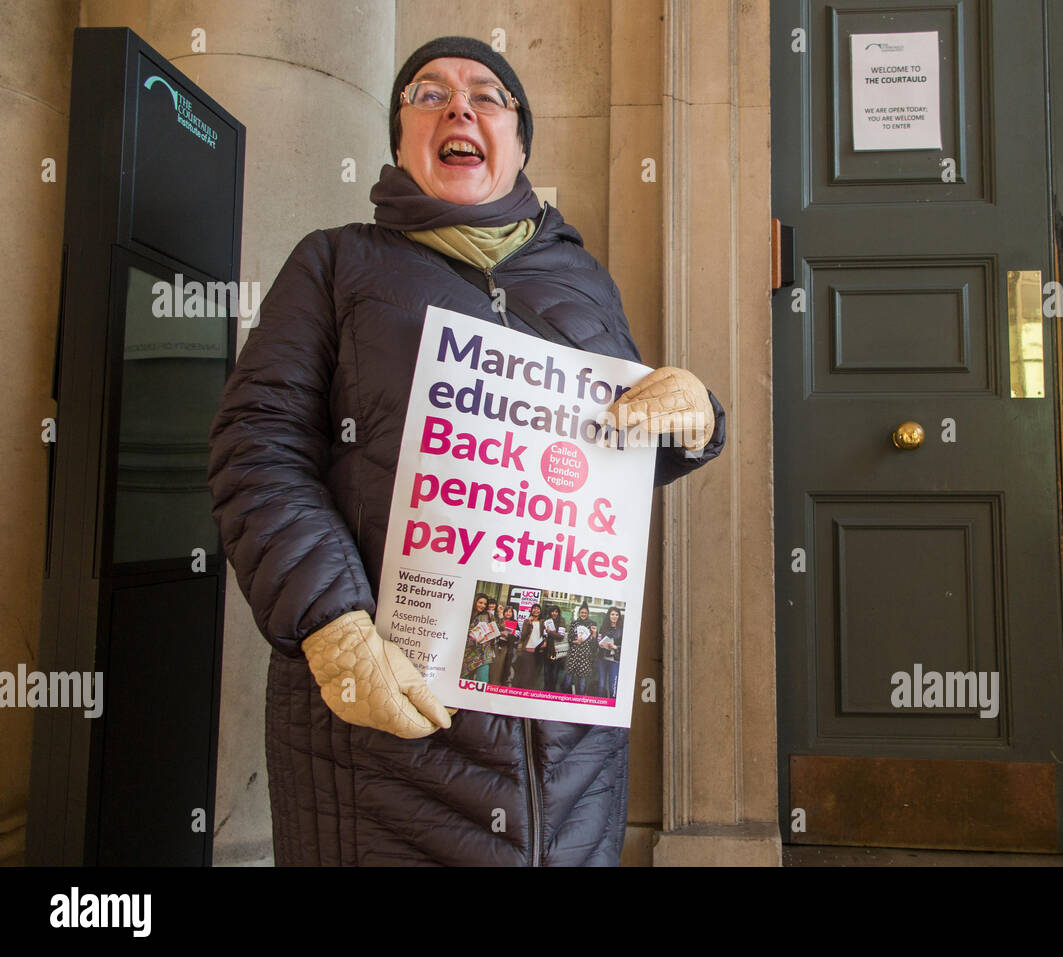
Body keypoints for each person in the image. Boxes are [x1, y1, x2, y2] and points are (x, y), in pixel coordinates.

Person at [207, 36, 726, 867]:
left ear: (518, 142)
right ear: (401, 138)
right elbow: (255, 447)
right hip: (393, 721)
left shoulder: (584, 280)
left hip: (567, 739)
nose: (460, 107)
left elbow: (618, 453)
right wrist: (331, 624)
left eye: (488, 96)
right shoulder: (335, 264)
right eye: (428, 94)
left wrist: (696, 416)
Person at [565, 602, 598, 695]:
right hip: (574, 653)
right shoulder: (574, 623)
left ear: (588, 614)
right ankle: (565, 696)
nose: (583, 614)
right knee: (569, 677)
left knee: (582, 679)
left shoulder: (592, 624)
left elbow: (594, 643)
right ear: (579, 613)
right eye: (582, 612)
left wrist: (594, 634)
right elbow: (570, 639)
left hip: (585, 655)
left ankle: (581, 698)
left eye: (585, 613)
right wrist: (576, 641)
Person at [462, 592, 495, 682]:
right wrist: (475, 640)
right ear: (475, 601)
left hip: (483, 655)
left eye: (485, 604)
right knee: (464, 681)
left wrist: (492, 635)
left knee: (483, 681)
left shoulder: (488, 615)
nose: (483, 605)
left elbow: (494, 632)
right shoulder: (466, 615)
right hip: (467, 654)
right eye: (480, 602)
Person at [513, 603, 546, 690]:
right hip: (527, 649)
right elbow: (523, 636)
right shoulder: (526, 621)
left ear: (540, 611)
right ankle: (524, 689)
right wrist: (529, 623)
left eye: (538, 608)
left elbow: (544, 635)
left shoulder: (542, 622)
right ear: (531, 610)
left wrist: (545, 642)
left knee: (533, 673)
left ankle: (529, 689)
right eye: (534, 608)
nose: (536, 610)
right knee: (526, 672)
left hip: (537, 651)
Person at [596, 607, 623, 699]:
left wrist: (615, 647)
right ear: (609, 616)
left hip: (615, 661)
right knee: (601, 685)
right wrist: (600, 644)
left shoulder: (622, 629)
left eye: (616, 614)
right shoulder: (603, 627)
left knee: (613, 686)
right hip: (602, 659)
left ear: (619, 616)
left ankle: (612, 706)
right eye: (612, 614)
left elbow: (627, 647)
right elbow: (599, 639)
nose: (614, 616)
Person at [541, 604, 568, 693]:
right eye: (553, 611)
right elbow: (543, 634)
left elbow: (560, 636)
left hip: (556, 651)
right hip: (546, 651)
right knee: (546, 674)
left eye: (556, 611)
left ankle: (552, 692)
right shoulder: (546, 621)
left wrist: (550, 632)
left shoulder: (561, 621)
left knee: (554, 674)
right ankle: (545, 692)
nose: (554, 613)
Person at [490, 602, 519, 686]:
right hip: (495, 646)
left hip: (506, 648)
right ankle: (492, 682)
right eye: (506, 611)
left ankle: (499, 683)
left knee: (503, 667)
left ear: (513, 614)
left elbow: (517, 636)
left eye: (510, 612)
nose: (508, 613)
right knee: (494, 666)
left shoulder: (515, 623)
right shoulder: (499, 619)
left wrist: (509, 635)